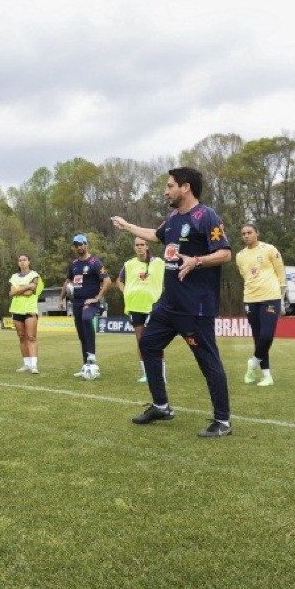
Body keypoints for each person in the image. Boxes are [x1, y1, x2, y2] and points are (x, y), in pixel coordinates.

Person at [111, 166, 234, 438]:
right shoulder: (173, 218)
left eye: (169, 186)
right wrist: (127, 226)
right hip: (169, 305)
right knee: (148, 344)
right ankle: (161, 405)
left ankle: (223, 421)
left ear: (185, 187)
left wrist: (197, 261)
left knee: (207, 361)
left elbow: (225, 254)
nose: (166, 191)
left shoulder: (206, 216)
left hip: (195, 308)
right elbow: (157, 235)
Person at [236, 223, 286, 388]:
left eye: (249, 232)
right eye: (243, 233)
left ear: (257, 233)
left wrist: (282, 294)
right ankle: (267, 376)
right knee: (258, 338)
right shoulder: (240, 256)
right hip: (250, 299)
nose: (246, 235)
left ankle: (253, 363)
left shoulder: (269, 249)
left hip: (271, 297)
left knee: (267, 336)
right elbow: (245, 276)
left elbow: (280, 272)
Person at [60, 234, 110, 377]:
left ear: (86, 244)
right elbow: (67, 281)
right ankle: (86, 366)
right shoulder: (74, 264)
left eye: (81, 244)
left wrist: (97, 298)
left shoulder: (95, 263)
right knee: (82, 335)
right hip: (76, 302)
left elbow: (107, 281)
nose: (79, 247)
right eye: (76, 245)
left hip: (90, 301)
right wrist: (61, 299)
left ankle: (92, 357)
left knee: (87, 319)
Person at [117, 237, 165, 383]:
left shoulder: (159, 263)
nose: (139, 247)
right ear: (134, 247)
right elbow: (119, 280)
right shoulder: (129, 264)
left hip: (153, 306)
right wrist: (125, 292)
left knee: (156, 341)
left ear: (147, 246)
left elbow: (171, 275)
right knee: (141, 341)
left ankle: (161, 374)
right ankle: (146, 374)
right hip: (135, 307)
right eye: (137, 245)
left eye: (142, 244)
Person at [9, 253, 42, 374]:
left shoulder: (34, 275)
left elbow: (31, 291)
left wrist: (18, 290)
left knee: (31, 337)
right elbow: (11, 292)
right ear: (18, 263)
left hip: (30, 309)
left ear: (29, 262)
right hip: (17, 309)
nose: (22, 262)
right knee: (22, 337)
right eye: (20, 260)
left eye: (25, 260)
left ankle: (34, 365)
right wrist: (26, 287)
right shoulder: (14, 276)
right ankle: (26, 364)